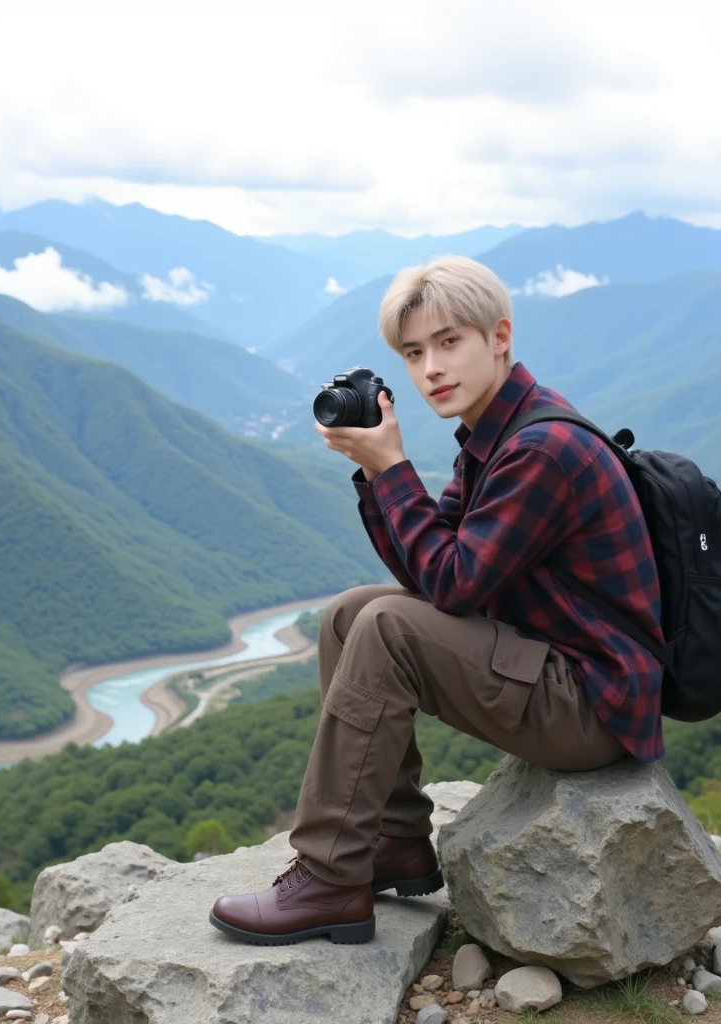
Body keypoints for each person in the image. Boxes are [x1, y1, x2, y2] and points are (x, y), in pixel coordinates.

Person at [209, 254, 664, 947]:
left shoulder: (539, 449)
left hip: (590, 706)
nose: (431, 369)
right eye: (415, 352)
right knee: (352, 614)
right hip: (555, 673)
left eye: (450, 343)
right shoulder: (494, 435)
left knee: (388, 626)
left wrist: (392, 468)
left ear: (500, 338)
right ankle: (391, 843)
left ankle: (331, 879)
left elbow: (451, 585)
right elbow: (432, 573)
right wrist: (375, 475)